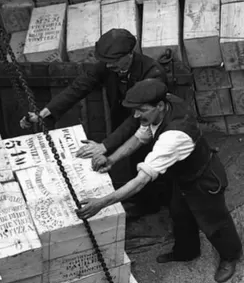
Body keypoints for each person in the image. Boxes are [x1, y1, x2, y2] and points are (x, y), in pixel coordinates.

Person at [76, 79, 243, 283]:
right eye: (135, 110)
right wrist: (111, 159)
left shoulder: (173, 136)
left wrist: (101, 203)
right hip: (181, 177)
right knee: (179, 214)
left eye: (142, 110)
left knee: (214, 221)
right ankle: (186, 251)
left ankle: (230, 256)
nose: (136, 115)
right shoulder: (163, 105)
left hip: (202, 180)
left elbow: (140, 181)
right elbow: (140, 137)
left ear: (160, 106)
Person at [21, 28, 171, 216]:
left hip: (150, 127)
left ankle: (156, 204)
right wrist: (44, 113)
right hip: (125, 123)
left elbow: (139, 118)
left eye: (114, 62)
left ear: (129, 54)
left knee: (151, 162)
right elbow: (78, 87)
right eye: (106, 62)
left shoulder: (153, 74)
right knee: (133, 161)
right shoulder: (109, 65)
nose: (108, 67)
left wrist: (104, 146)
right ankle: (142, 200)